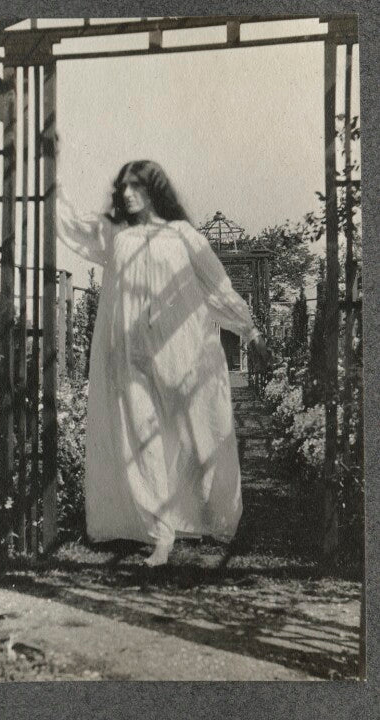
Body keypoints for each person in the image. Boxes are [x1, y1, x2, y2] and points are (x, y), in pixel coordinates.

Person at [57, 160, 270, 566]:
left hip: (183, 351)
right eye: (122, 188)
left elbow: (217, 286)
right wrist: (48, 180)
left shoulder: (183, 235)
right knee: (141, 439)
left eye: (136, 187)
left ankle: (211, 517)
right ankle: (161, 534)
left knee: (196, 433)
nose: (127, 194)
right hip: (127, 355)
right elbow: (71, 225)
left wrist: (250, 331)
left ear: (155, 190)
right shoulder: (115, 234)